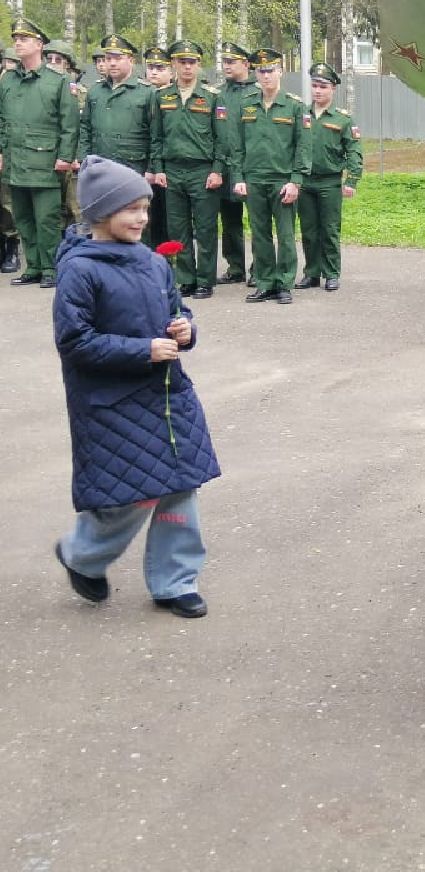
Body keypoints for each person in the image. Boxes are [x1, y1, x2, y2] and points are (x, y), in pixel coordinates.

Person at [51, 155, 220, 619]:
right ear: (100, 213)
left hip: (167, 395)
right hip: (111, 402)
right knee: (134, 493)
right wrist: (141, 350)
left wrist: (184, 328)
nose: (143, 218)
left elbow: (175, 310)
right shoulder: (79, 269)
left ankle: (175, 581)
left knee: (180, 488)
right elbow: (75, 341)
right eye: (131, 209)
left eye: (146, 207)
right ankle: (82, 556)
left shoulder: (151, 262)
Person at [0, 18, 82, 287]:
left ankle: (50, 268)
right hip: (15, 160)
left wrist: (65, 157)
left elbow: (69, 124)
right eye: (15, 39)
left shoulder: (57, 81)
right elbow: (1, 119)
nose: (18, 43)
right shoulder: (8, 81)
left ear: (39, 44)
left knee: (46, 219)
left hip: (45, 160)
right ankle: (33, 266)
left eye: (24, 39)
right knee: (22, 217)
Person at [231, 47, 311, 305]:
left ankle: (284, 283)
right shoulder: (246, 105)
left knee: (285, 234)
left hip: (281, 180)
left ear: (280, 72)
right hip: (254, 179)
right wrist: (238, 177)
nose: (265, 76)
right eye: (260, 71)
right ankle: (265, 282)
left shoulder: (295, 106)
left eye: (270, 71)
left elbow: (303, 146)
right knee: (259, 233)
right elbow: (236, 145)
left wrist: (296, 180)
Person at [155, 40, 224, 299]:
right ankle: (186, 278)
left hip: (202, 170)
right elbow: (156, 137)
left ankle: (205, 279)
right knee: (178, 227)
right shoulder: (162, 97)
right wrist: (159, 168)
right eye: (181, 62)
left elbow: (221, 139)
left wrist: (217, 170)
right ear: (173, 64)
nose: (186, 67)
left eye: (191, 62)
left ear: (198, 65)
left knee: (205, 228)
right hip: (172, 170)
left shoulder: (212, 97)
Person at [80, 34, 163, 246]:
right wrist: (84, 160)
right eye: (108, 58)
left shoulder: (147, 93)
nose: (112, 62)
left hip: (133, 167)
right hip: (101, 167)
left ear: (131, 61)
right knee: (103, 220)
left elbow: (156, 135)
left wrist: (152, 168)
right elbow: (85, 128)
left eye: (118, 57)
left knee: (136, 223)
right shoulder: (96, 91)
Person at [296, 62, 362, 292]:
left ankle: (331, 273)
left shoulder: (342, 119)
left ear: (333, 89)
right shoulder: (301, 114)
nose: (317, 91)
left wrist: (352, 179)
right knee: (309, 230)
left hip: (330, 182)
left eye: (323, 86)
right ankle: (312, 273)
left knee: (330, 230)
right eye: (314, 85)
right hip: (304, 181)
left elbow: (353, 149)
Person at [213, 42, 256, 285]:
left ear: (246, 64)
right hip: (225, 166)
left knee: (257, 219)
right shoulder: (218, 93)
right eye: (225, 62)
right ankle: (235, 267)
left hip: (250, 166)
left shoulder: (258, 90)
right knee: (229, 221)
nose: (227, 66)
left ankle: (259, 268)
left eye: (232, 62)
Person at [42, 39, 86, 229]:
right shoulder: (40, 89)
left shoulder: (81, 93)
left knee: (75, 209)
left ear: (68, 66)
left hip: (72, 160)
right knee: (52, 210)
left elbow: (81, 128)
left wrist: (77, 156)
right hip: (49, 158)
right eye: (49, 59)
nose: (52, 63)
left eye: (58, 60)